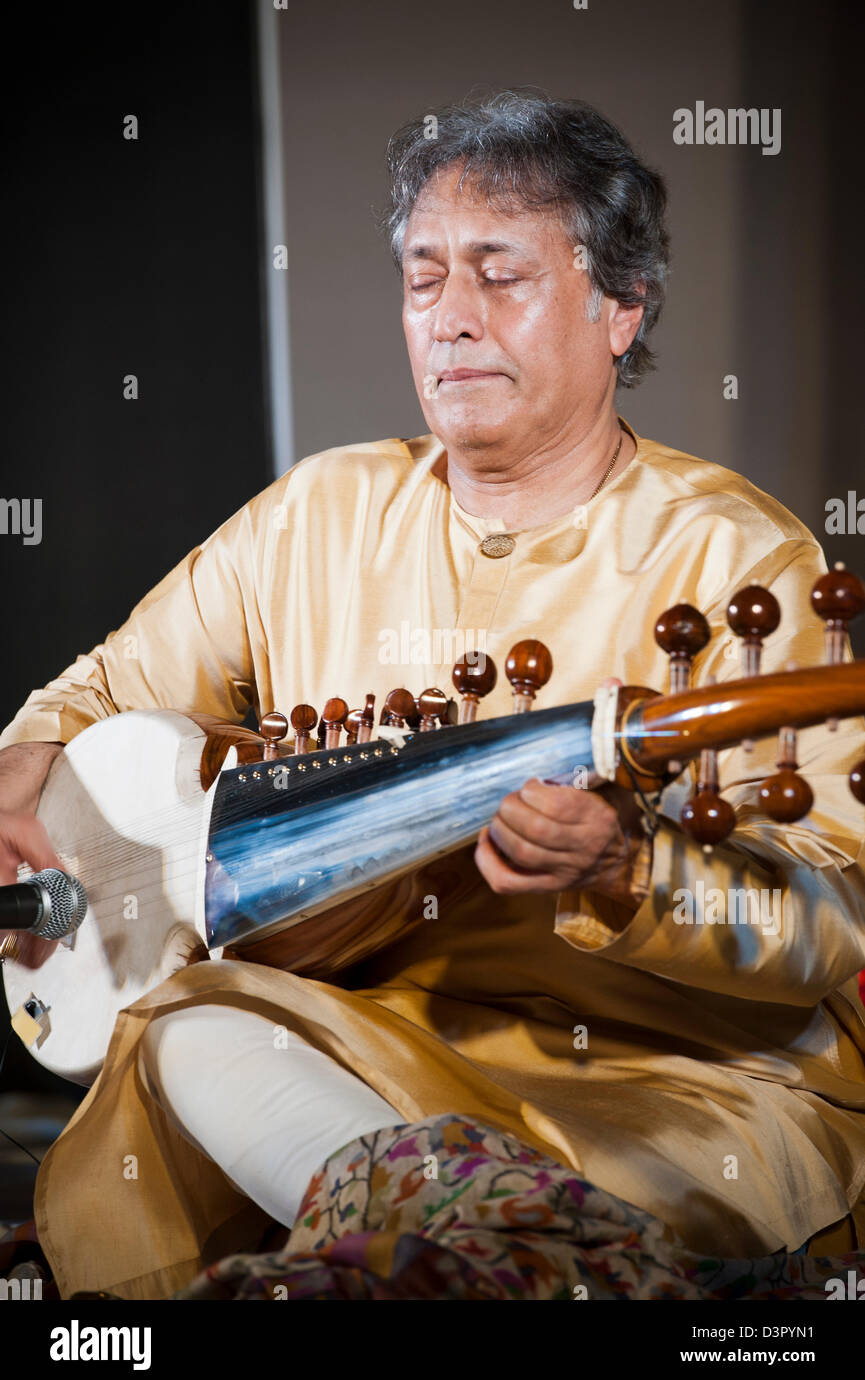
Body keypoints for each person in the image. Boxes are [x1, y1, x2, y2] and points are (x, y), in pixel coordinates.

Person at [1, 92, 864, 1300]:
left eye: (499, 276)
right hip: (389, 1036)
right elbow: (99, 690)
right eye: (422, 280)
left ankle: (441, 1243)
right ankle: (460, 1235)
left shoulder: (742, 563)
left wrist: (630, 875)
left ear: (621, 307)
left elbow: (830, 916)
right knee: (187, 1025)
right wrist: (21, 761)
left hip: (676, 1073)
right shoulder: (321, 513)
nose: (450, 320)